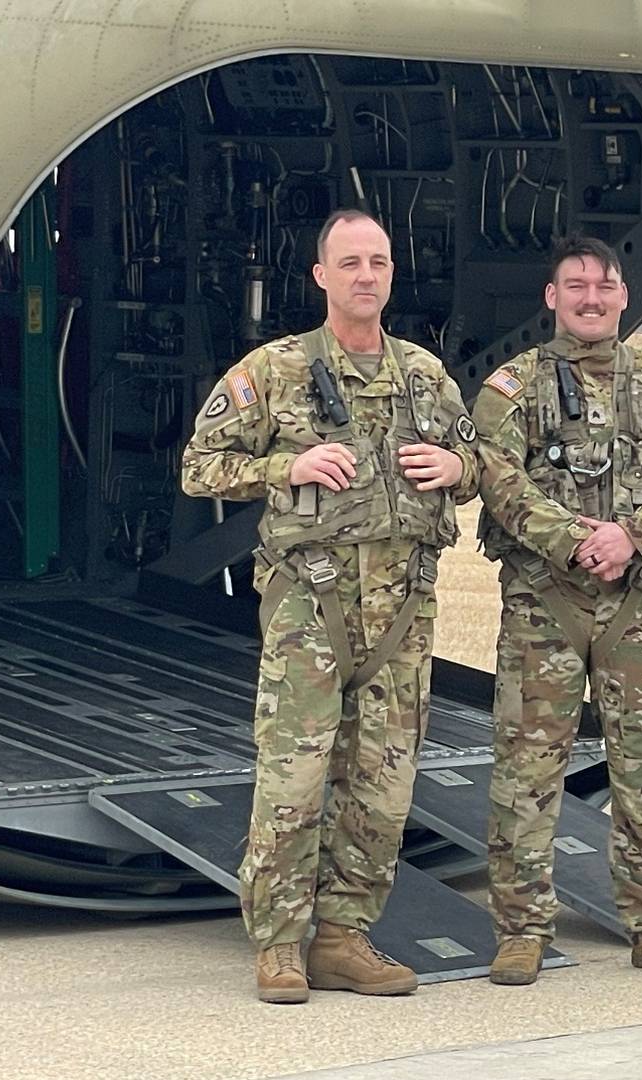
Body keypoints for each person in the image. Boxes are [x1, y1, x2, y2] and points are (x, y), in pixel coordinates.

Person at [181, 208, 480, 1003]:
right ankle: (279, 944)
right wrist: (288, 463)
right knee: (295, 781)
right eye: (349, 263)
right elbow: (200, 465)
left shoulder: (423, 374)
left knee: (382, 786)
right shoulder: (274, 370)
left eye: (377, 262)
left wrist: (456, 464)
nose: (365, 276)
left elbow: (482, 462)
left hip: (403, 617)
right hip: (310, 612)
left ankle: (345, 938)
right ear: (320, 275)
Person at [472, 234, 642, 986]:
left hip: (635, 604)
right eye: (575, 285)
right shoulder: (510, 388)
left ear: (623, 297)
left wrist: (633, 537)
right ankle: (521, 929)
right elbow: (499, 479)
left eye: (604, 286)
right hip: (544, 602)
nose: (590, 297)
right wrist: (577, 541)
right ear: (552, 298)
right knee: (527, 769)